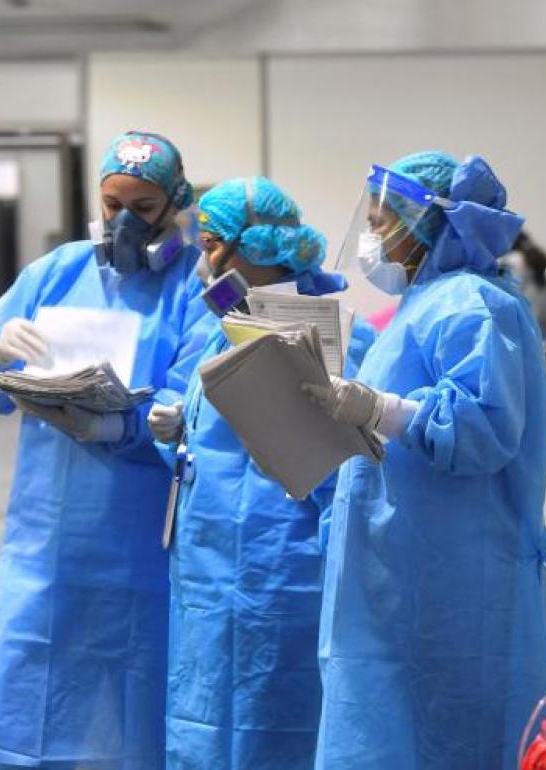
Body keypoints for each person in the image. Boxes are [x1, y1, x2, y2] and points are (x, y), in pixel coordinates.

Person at [303, 151, 546, 770]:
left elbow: (482, 431)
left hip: (453, 583)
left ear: (427, 223)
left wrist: (385, 410)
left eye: (381, 223)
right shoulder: (423, 305)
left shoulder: (472, 305)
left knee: (455, 736)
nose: (371, 240)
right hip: (403, 582)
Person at [0, 131, 206, 769]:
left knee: (134, 711)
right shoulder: (56, 272)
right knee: (32, 691)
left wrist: (112, 429)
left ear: (176, 203)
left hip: (140, 546)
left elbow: (189, 410)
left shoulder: (194, 287)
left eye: (143, 207)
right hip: (47, 545)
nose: (122, 221)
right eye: (110, 203)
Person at [145, 177, 375, 770]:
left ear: (256, 246)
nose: (202, 257)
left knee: (276, 724)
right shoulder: (222, 325)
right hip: (207, 572)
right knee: (202, 718)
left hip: (283, 574)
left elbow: (359, 473)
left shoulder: (338, 339)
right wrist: (178, 427)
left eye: (213, 243)